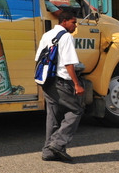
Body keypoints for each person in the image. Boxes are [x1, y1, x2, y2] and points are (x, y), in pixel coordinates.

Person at [35, 9, 84, 163]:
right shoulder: (66, 37)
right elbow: (69, 63)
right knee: (76, 110)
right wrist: (77, 84)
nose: (75, 26)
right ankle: (56, 144)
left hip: (47, 81)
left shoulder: (47, 35)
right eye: (73, 22)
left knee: (53, 116)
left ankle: (48, 152)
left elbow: (38, 58)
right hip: (61, 80)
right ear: (64, 22)